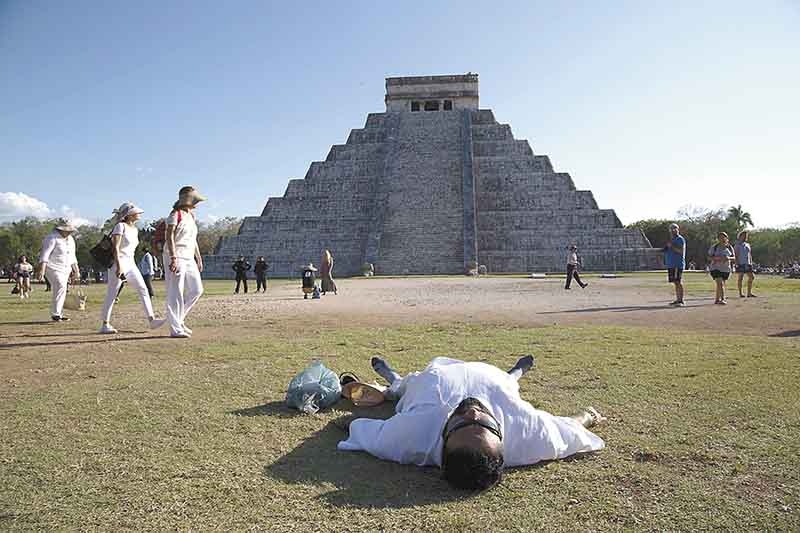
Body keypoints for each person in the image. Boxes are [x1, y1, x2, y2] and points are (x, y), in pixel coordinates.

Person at [338, 355, 605, 491]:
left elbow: (359, 428)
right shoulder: (528, 436)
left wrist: (348, 420)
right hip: (493, 376)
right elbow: (567, 429)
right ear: (502, 440)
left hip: (430, 377)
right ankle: (516, 371)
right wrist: (587, 417)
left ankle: (389, 381)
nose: (473, 413)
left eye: (460, 425)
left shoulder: (412, 438)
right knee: (509, 380)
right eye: (485, 425)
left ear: (443, 442)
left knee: (400, 386)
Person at [98, 203, 164, 334]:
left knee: (143, 289)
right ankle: (105, 324)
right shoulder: (120, 226)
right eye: (136, 212)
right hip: (119, 262)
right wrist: (118, 266)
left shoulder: (135, 229)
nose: (139, 214)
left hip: (131, 262)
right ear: (129, 215)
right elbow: (115, 247)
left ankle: (152, 320)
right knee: (112, 293)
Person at [163, 186, 205, 338]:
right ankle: (175, 328)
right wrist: (173, 257)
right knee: (176, 292)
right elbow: (169, 237)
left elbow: (193, 240)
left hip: (188, 257)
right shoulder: (175, 214)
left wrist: (198, 258)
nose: (197, 203)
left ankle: (178, 319)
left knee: (196, 290)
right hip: (176, 255)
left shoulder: (191, 216)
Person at [38, 220, 80, 321]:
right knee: (60, 285)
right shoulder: (51, 238)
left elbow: (72, 256)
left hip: (65, 268)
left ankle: (59, 313)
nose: (70, 232)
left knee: (62, 289)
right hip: (52, 267)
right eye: (68, 230)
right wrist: (42, 271)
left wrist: (76, 270)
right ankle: (56, 314)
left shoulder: (70, 240)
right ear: (61, 229)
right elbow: (45, 255)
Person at [708, 231, 735, 305]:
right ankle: (723, 299)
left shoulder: (729, 247)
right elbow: (709, 257)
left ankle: (717, 299)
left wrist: (728, 258)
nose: (722, 238)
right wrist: (717, 258)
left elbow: (734, 258)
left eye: (724, 237)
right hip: (715, 268)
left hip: (726, 269)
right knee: (720, 282)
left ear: (727, 238)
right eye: (720, 237)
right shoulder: (714, 247)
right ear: (718, 239)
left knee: (720, 284)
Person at [663, 223, 686, 307]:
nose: (673, 230)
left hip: (677, 263)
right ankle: (678, 299)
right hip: (671, 264)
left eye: (675, 228)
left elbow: (680, 251)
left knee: (678, 281)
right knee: (675, 282)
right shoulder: (671, 240)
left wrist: (671, 246)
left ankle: (681, 300)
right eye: (671, 229)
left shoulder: (680, 239)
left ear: (678, 229)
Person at [734, 231, 756, 298]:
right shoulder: (737, 245)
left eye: (746, 235)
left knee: (752, 277)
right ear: (740, 236)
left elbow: (749, 254)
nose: (745, 237)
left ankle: (749, 293)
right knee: (740, 278)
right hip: (741, 263)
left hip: (748, 263)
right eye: (744, 235)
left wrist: (751, 262)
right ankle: (740, 293)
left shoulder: (747, 245)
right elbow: (736, 255)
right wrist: (736, 263)